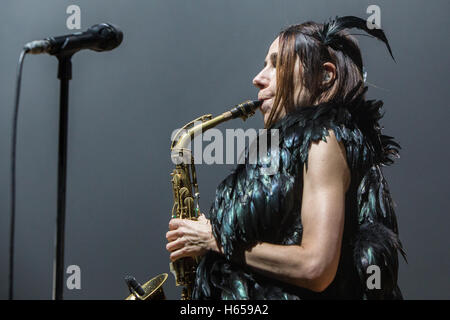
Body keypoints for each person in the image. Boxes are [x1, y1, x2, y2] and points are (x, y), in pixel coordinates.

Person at [165, 16, 406, 299]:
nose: (258, 78)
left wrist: (214, 239)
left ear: (324, 76)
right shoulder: (293, 148)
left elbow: (316, 268)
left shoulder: (326, 138)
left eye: (277, 64)